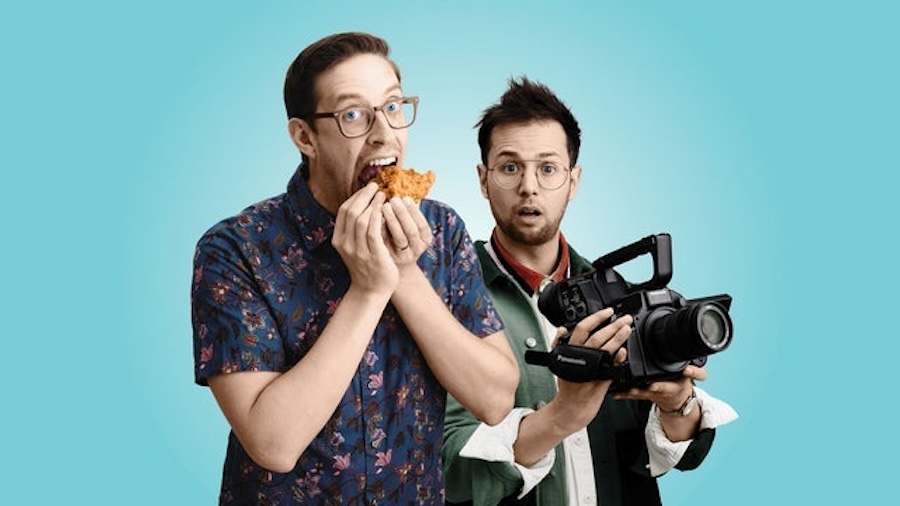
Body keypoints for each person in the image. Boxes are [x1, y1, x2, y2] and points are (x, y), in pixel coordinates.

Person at [190, 32, 519, 505]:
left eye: (392, 106)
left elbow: (494, 399)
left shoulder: (442, 230)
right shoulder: (235, 250)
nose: (384, 133)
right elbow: (272, 444)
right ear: (305, 137)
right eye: (352, 116)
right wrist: (367, 290)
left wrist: (405, 276)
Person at [442, 78, 738, 506]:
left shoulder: (621, 293)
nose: (529, 186)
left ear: (573, 180)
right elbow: (449, 467)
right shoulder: (444, 295)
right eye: (509, 167)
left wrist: (677, 405)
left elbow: (672, 453)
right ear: (483, 180)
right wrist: (563, 416)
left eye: (548, 168)